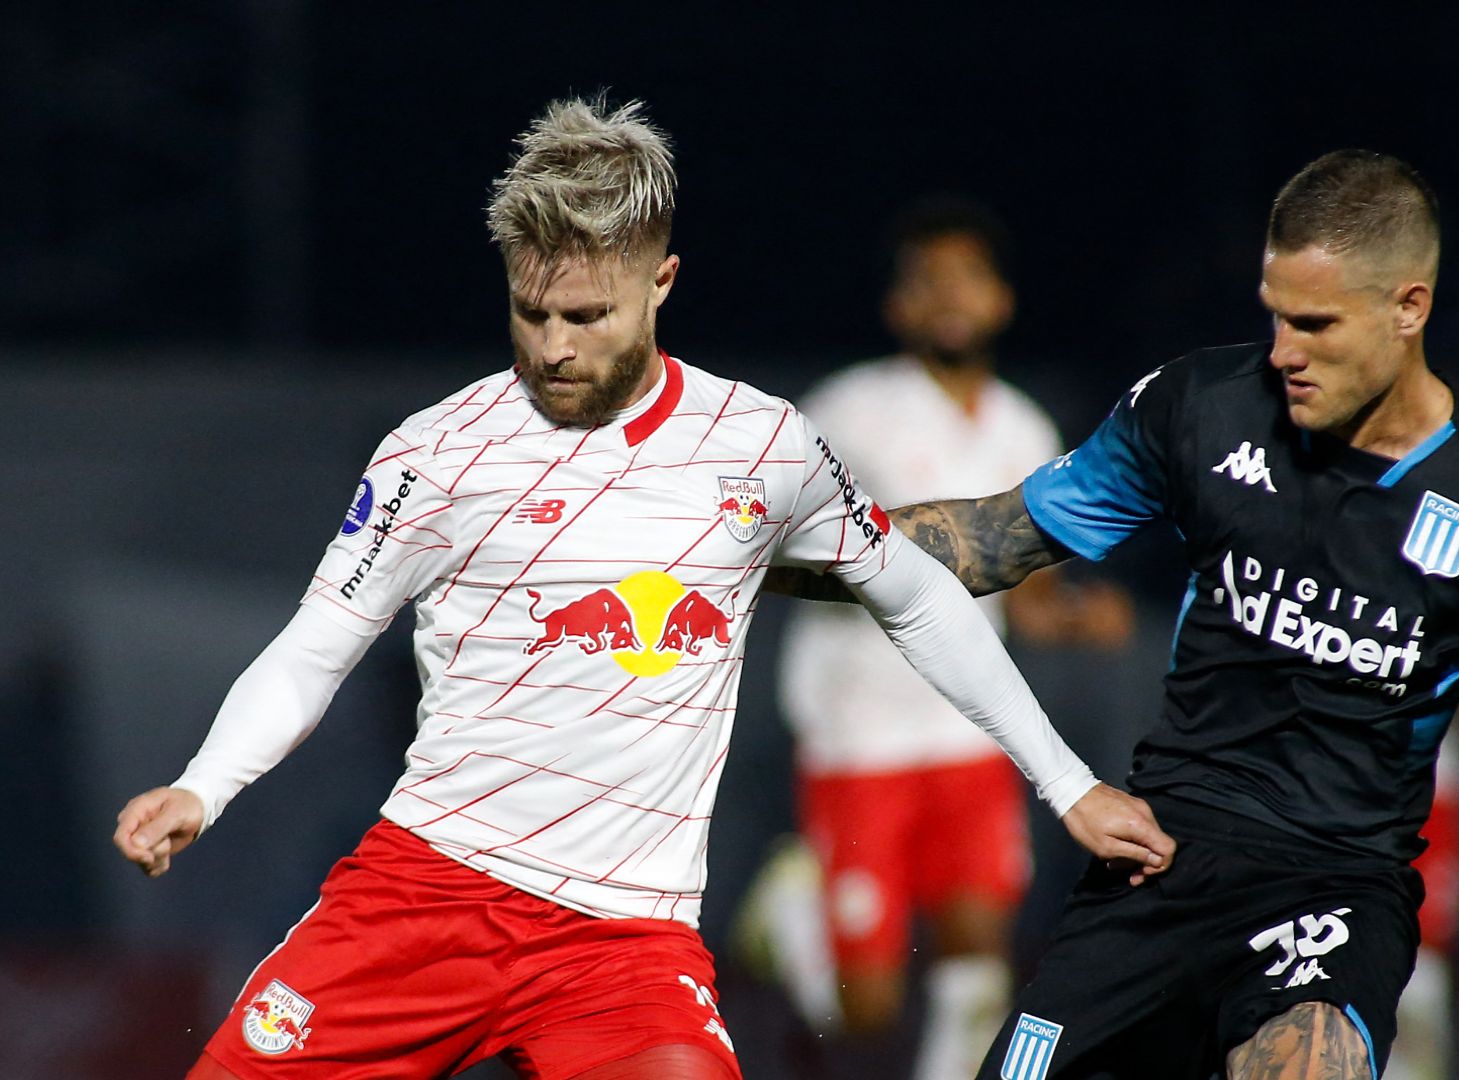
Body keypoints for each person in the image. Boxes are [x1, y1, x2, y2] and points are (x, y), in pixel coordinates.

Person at [109, 95, 1174, 1080]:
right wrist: (204, 785)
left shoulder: (762, 449)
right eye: (532, 314)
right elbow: (315, 646)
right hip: (424, 898)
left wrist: (1065, 780)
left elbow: (920, 595)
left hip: (622, 943)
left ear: (661, 282)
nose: (555, 349)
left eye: (587, 316)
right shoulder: (433, 454)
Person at [771, 150, 1459, 1080]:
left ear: (1408, 309)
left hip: (1335, 889)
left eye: (1316, 325)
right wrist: (750, 558)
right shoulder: (1198, 409)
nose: (1284, 351)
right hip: (1159, 862)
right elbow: (987, 541)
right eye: (1274, 315)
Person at [762, 198, 1134, 1080]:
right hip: (860, 736)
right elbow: (772, 537)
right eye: (927, 282)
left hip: (969, 734)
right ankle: (791, 911)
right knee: (868, 1010)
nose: (949, 298)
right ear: (898, 307)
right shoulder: (847, 412)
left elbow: (1029, 593)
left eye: (967, 277)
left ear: (1002, 299)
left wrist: (1080, 616)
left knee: (977, 958)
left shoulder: (1024, 428)